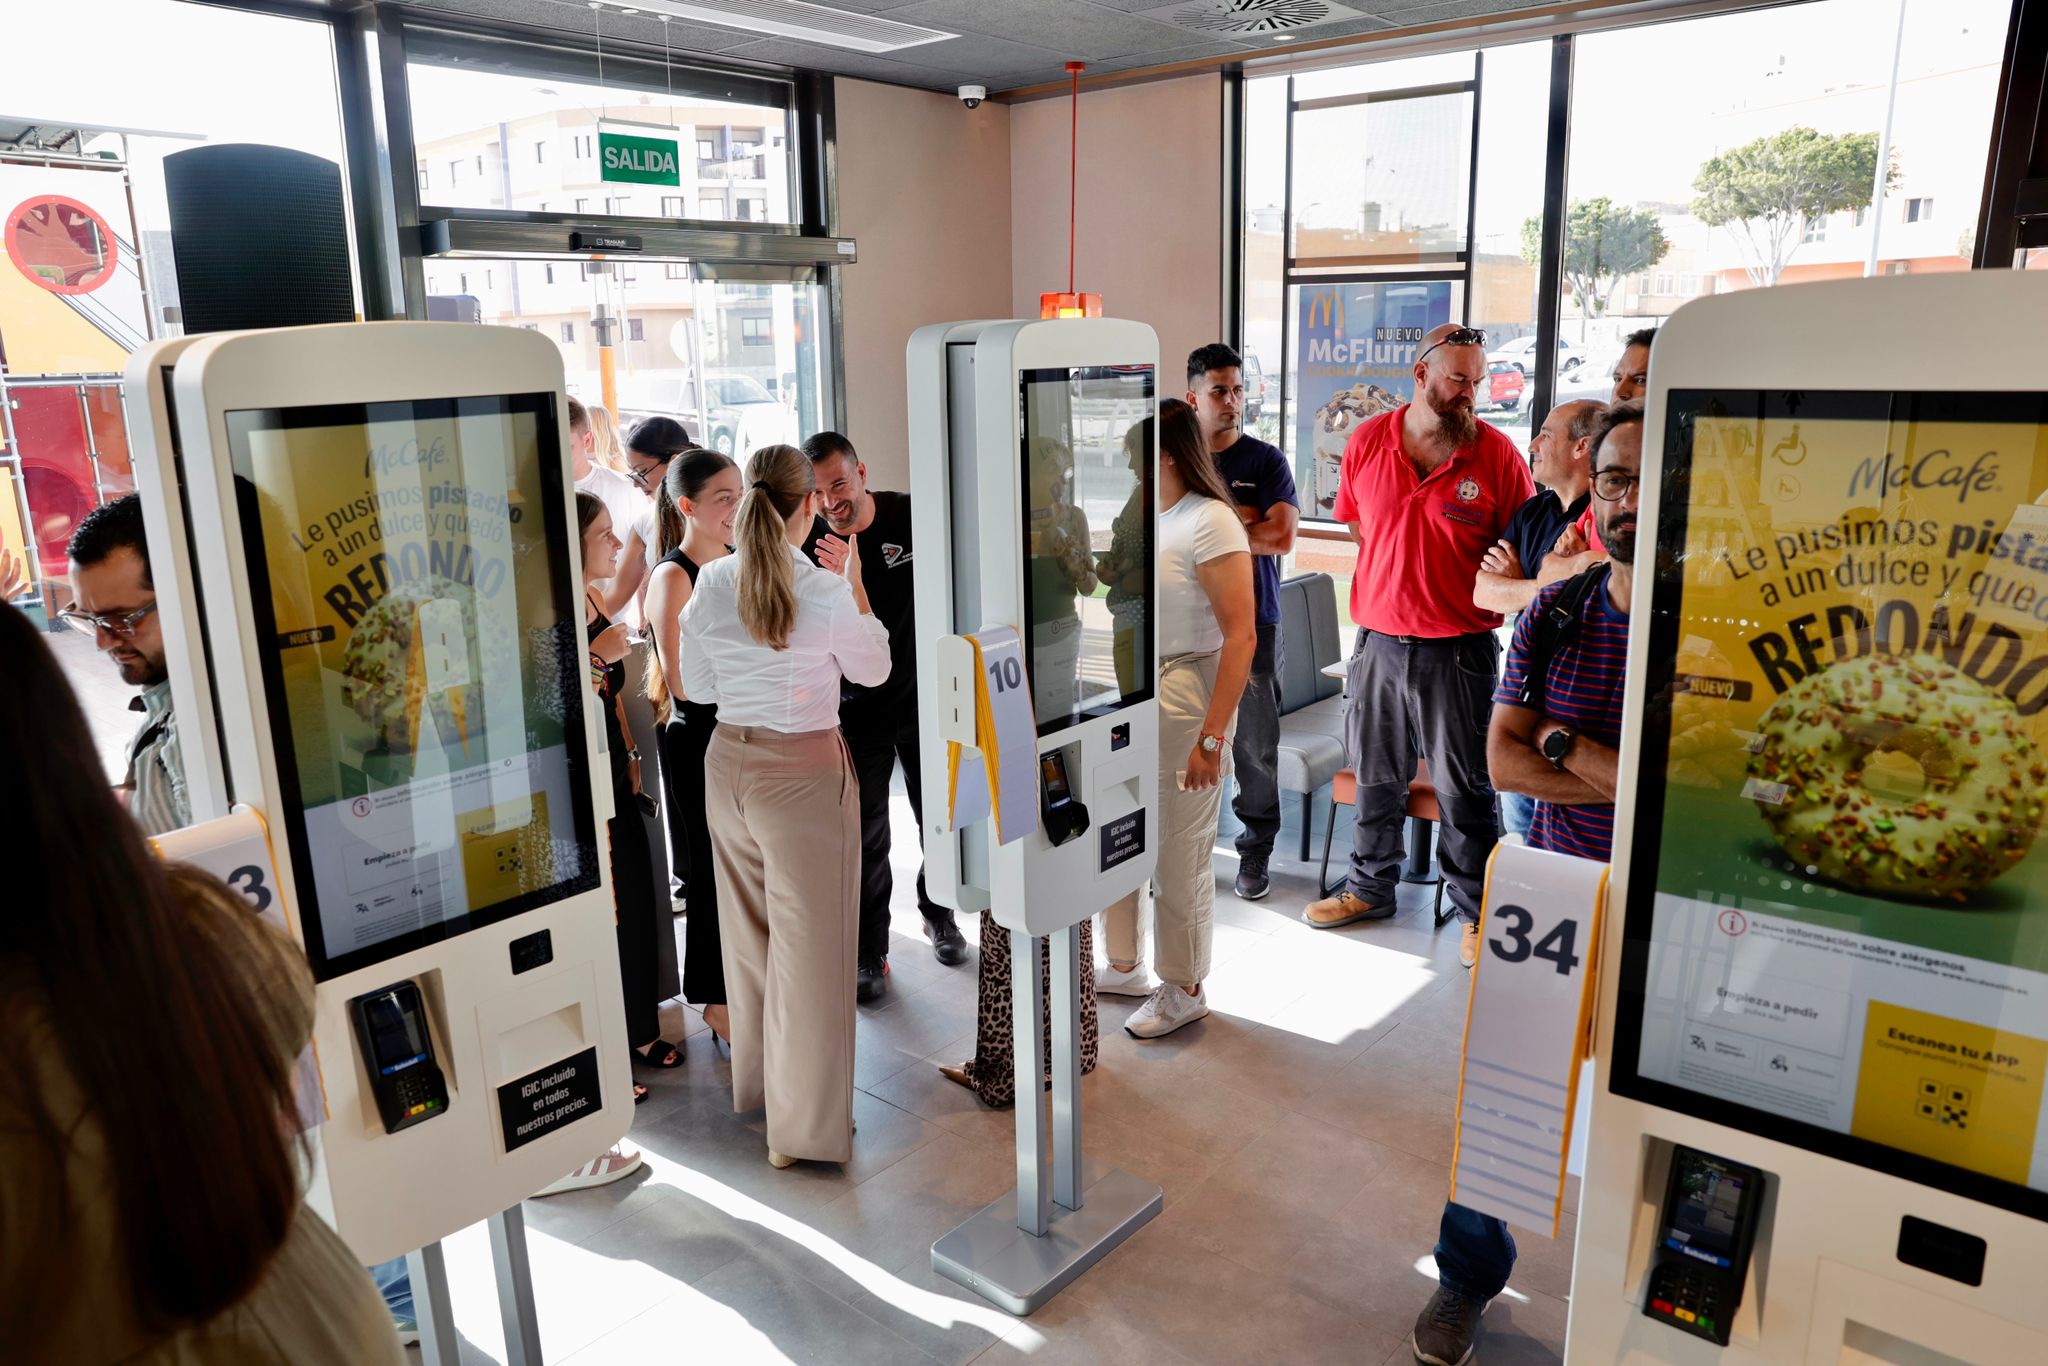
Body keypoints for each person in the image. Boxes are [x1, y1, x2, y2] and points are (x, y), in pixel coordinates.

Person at [0, 606, 403, 1363]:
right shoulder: (175, 915)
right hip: (312, 1313)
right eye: (91, 617)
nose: (108, 636)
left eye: (125, 614)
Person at [1409, 402, 1641, 1366]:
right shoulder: (1561, 607)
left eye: (1651, 477)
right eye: (1616, 477)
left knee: (1648, 1122)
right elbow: (1503, 766)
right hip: (1555, 894)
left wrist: (1561, 740)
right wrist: (1596, 762)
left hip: (1672, 907)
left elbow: (1680, 802)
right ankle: (1466, 1275)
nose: (1628, 498)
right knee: (1508, 1095)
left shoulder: (1726, 630)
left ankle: (1639, 1306)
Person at [679, 444, 890, 1167]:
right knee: (816, 956)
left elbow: (697, 690)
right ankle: (800, 1133)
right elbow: (876, 669)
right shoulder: (826, 591)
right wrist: (856, 587)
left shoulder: (711, 581)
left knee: (753, 945)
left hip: (728, 768)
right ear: (808, 507)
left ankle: (770, 1093)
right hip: (801, 773)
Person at [1304, 324, 1534, 968]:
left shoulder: (1496, 455)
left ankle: (1477, 910)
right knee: (1376, 774)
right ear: (1422, 375)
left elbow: (1521, 552)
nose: (1471, 393)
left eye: (1477, 381)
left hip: (1458, 652)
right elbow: (1359, 525)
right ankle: (1369, 888)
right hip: (1377, 642)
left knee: (1465, 788)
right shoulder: (1368, 441)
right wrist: (1396, 583)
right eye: (1459, 379)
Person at [1101, 399, 1256, 1038]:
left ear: (1165, 455)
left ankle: (1184, 984)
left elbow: (1241, 636)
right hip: (1137, 690)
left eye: (1134, 455)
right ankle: (1124, 962)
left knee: (1178, 846)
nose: (1126, 467)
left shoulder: (1210, 521)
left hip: (1186, 693)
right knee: (1123, 829)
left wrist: (1212, 739)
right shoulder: (1153, 516)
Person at [800, 431, 968, 1003]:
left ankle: (938, 912)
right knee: (868, 832)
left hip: (925, 701)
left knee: (937, 819)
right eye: (817, 492)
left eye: (838, 484)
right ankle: (870, 947)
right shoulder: (810, 543)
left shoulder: (911, 516)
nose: (829, 502)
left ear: (861, 471)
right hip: (858, 711)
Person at [1186, 343, 1298, 902]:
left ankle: (1255, 849)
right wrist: (1240, 526)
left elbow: (1280, 536)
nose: (1232, 401)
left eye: (1237, 390)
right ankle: (1187, 846)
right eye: (1219, 392)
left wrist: (1212, 539)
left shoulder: (1265, 462)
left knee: (1254, 744)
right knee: (1186, 734)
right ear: (1193, 397)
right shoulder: (1178, 465)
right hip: (1185, 625)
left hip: (1255, 624)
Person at [579, 493, 684, 1084]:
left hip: (615, 767)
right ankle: (604, 1056)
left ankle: (639, 1026)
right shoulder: (549, 612)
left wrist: (634, 754)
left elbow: (611, 695)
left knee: (638, 900)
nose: (618, 546)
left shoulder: (594, 597)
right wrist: (596, 655)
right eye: (604, 535)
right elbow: (554, 699)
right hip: (580, 784)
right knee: (606, 911)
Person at [643, 448, 742, 1049]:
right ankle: (712, 997)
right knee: (707, 872)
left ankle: (737, 988)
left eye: (740, 494)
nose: (736, 508)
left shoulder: (736, 561)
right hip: (699, 735)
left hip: (738, 730)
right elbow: (682, 685)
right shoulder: (673, 576)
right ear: (688, 506)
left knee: (739, 872)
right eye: (723, 498)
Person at [1471, 398, 1605, 838]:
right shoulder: (1534, 511)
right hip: (1524, 702)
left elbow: (1592, 588)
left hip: (1580, 713)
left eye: (1546, 434)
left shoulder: (1604, 517)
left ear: (1582, 446)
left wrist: (1525, 589)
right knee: (1520, 836)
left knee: (1572, 844)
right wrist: (1546, 585)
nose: (1532, 445)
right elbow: (1484, 591)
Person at [60, 494, 189, 836]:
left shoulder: (199, 735)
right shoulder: (168, 701)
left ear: (189, 595)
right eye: (89, 619)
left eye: (121, 619)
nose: (103, 642)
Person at [606, 416, 693, 623]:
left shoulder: (717, 515)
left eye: (642, 472)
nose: (637, 484)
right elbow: (614, 598)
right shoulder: (645, 522)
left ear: (673, 461)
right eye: (633, 474)